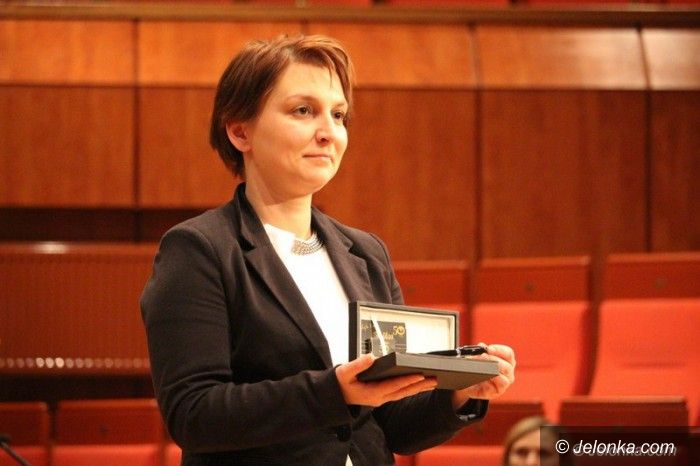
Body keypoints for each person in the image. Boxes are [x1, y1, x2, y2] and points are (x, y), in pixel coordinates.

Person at [141, 34, 516, 466]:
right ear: (240, 131)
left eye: (338, 115)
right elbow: (194, 414)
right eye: (303, 111)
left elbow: (392, 423)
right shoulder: (199, 249)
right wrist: (333, 392)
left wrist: (458, 394)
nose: (328, 133)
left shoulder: (367, 253)